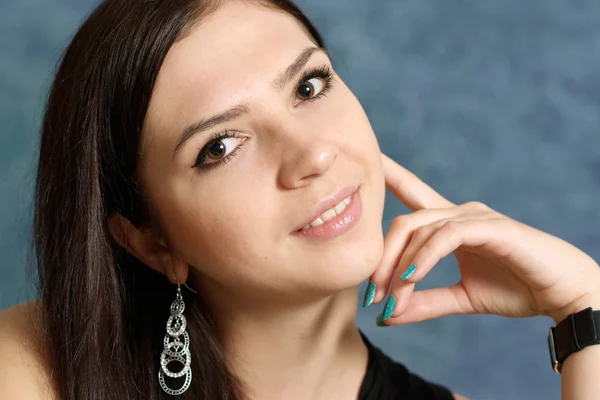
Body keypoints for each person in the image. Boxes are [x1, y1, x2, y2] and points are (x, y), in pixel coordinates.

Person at [0, 0, 598, 399]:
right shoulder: (35, 367)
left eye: (309, 86)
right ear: (152, 240)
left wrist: (581, 308)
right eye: (221, 146)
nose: (312, 154)